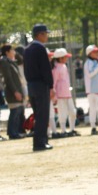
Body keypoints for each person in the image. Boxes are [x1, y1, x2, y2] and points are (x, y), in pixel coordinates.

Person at [23, 23, 54, 151]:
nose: (46, 36)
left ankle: (39, 140)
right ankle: (40, 142)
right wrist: (51, 86)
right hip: (41, 85)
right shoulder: (40, 49)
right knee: (43, 115)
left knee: (37, 114)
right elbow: (46, 70)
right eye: (45, 33)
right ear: (39, 35)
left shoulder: (27, 49)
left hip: (31, 85)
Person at [0, 44, 26, 139]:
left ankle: (16, 131)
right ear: (7, 52)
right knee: (14, 112)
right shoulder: (4, 61)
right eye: (12, 50)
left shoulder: (11, 60)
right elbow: (8, 78)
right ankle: (12, 133)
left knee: (18, 112)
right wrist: (15, 91)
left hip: (17, 89)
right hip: (12, 91)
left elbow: (20, 60)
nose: (14, 52)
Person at [51, 48, 79, 136]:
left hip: (67, 93)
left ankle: (72, 129)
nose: (66, 58)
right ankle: (63, 130)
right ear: (60, 58)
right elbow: (54, 82)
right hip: (60, 94)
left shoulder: (64, 66)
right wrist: (54, 96)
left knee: (73, 112)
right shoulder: (55, 68)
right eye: (65, 57)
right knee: (62, 113)